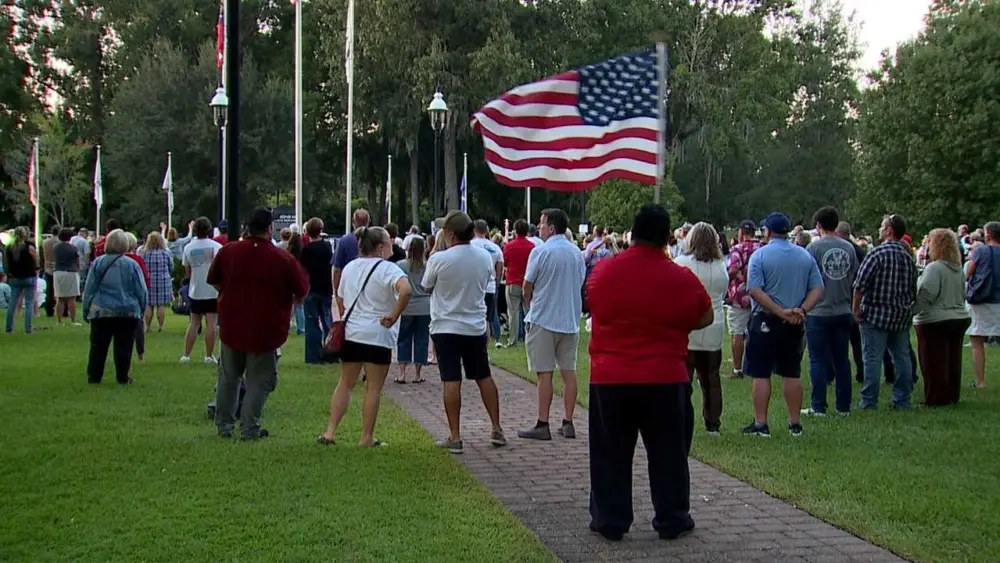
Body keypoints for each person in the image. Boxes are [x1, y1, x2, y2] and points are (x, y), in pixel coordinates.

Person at [586, 204, 712, 542]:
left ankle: (609, 519)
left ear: (634, 232)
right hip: (665, 374)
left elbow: (595, 306)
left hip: (611, 375)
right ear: (667, 236)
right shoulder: (681, 277)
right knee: (669, 453)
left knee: (610, 452)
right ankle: (672, 517)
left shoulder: (604, 272)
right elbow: (705, 317)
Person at [208, 208, 308, 439]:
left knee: (228, 378)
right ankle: (249, 426)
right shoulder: (282, 259)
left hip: (232, 325)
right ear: (268, 229)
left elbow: (215, 281)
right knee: (259, 381)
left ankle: (224, 425)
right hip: (266, 328)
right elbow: (301, 290)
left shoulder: (228, 252)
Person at [318, 226, 411, 447]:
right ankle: (366, 437)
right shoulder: (389, 269)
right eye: (389, 241)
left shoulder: (350, 267)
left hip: (352, 333)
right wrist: (394, 314)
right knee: (373, 387)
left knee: (345, 382)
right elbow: (406, 290)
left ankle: (330, 431)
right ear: (380, 247)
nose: (392, 245)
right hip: (378, 334)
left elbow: (340, 297)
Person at [422, 211, 507, 454]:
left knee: (451, 379)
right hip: (474, 326)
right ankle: (496, 427)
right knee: (483, 376)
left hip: (446, 326)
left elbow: (427, 287)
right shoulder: (484, 257)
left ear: (450, 234)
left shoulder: (439, 259)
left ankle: (455, 436)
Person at [743, 212, 824, 437]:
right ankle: (795, 423)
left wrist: (779, 311)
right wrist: (802, 309)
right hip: (795, 320)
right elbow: (818, 288)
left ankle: (761, 423)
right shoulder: (804, 256)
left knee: (761, 372)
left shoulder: (760, 256)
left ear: (768, 231)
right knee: (792, 372)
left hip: (765, 320)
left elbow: (755, 290)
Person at [518, 209, 587, 441]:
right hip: (569, 318)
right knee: (569, 372)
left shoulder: (540, 252)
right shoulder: (577, 253)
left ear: (551, 228)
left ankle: (542, 422)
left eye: (542, 223)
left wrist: (528, 306)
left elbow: (527, 285)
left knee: (544, 373)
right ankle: (568, 421)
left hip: (544, 317)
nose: (539, 227)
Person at [853, 214, 918, 409]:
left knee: (872, 358)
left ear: (889, 230)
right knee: (902, 358)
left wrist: (856, 309)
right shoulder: (908, 257)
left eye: (882, 226)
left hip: (875, 315)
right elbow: (913, 288)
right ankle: (902, 399)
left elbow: (860, 285)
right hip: (900, 315)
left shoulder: (877, 254)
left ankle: (869, 400)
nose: (880, 229)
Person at [801, 207, 859, 417]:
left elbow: (806, 279)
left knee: (817, 360)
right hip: (843, 308)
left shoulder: (813, 249)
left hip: (818, 310)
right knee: (842, 359)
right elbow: (853, 276)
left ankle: (818, 406)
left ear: (818, 226)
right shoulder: (849, 248)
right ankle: (843, 406)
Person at [674, 222, 728, 435]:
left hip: (689, 327)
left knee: (684, 377)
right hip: (714, 325)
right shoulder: (720, 266)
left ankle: (681, 417)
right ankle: (713, 422)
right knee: (711, 378)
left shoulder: (681, 263)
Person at [82, 230, 148, 384]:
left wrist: (86, 309)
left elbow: (90, 288)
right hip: (127, 310)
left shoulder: (98, 263)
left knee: (98, 345)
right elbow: (141, 289)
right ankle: (122, 376)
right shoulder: (132, 264)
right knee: (124, 346)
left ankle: (94, 376)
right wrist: (141, 308)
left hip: (101, 310)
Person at [913, 228, 970, 405]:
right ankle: (952, 395)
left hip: (935, 320)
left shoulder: (934, 268)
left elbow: (926, 295)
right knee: (953, 361)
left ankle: (935, 398)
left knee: (933, 362)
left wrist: (910, 312)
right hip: (958, 317)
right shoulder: (957, 269)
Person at [181, 217, 223, 364]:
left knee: (194, 322)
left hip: (196, 289)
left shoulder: (188, 248)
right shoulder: (217, 247)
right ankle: (208, 355)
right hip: (212, 290)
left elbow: (187, 270)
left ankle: (186, 355)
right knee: (211, 323)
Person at [725, 220, 763, 378]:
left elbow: (733, 269)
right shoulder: (763, 248)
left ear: (741, 232)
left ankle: (737, 369)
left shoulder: (738, 248)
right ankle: (757, 366)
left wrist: (740, 277)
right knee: (758, 332)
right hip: (761, 296)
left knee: (737, 332)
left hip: (740, 296)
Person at [965, 221, 1000, 389]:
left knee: (977, 341)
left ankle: (980, 382)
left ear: (988, 235)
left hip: (981, 300)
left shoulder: (981, 251)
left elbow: (969, 272)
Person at [298, 217, 335, 364]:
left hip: (310, 289)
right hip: (325, 288)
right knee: (327, 322)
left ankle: (313, 356)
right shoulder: (327, 247)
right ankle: (331, 352)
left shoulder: (306, 250)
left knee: (312, 323)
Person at [395, 236, 431, 384]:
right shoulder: (428, 266)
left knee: (403, 338)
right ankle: (417, 374)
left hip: (407, 306)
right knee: (421, 339)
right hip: (424, 306)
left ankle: (402, 373)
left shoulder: (400, 265)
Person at [471, 220, 505, 348]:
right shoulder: (495, 248)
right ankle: (486, 346)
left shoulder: (471, 245)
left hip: (474, 286)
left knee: (474, 317)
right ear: (486, 231)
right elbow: (500, 267)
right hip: (490, 287)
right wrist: (496, 283)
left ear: (474, 230)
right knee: (488, 318)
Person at [502, 219, 533, 348]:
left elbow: (506, 263)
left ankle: (513, 340)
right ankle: (531, 338)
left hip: (513, 281)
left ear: (515, 230)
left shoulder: (509, 246)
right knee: (529, 311)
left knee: (513, 313)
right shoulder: (532, 247)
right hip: (528, 282)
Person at [333, 209, 370, 316]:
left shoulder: (344, 241)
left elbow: (337, 269)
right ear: (368, 222)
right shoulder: (376, 240)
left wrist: (336, 293)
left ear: (353, 223)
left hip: (349, 287)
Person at [4, 227, 39, 334]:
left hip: (14, 277)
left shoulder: (9, 247)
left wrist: (8, 273)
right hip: (28, 276)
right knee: (29, 303)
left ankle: (9, 328)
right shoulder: (29, 247)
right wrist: (36, 269)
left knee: (12, 304)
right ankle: (28, 328)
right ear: (25, 235)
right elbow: (36, 260)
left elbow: (6, 263)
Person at [140, 231, 173, 333]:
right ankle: (161, 326)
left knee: (149, 304)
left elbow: (141, 267)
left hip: (148, 280)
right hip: (163, 279)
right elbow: (171, 266)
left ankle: (148, 327)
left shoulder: (144, 253)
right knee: (160, 305)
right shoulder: (166, 252)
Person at [52, 228, 82, 326]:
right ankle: (73, 321)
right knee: (71, 298)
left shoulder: (55, 247)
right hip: (71, 272)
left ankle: (59, 321)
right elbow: (77, 261)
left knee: (60, 298)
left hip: (58, 272)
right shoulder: (73, 248)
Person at [41, 225, 61, 317]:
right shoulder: (59, 243)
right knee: (60, 291)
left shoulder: (45, 242)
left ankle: (49, 309)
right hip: (57, 267)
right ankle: (62, 310)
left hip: (47, 267)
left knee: (49, 291)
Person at [70, 228, 92, 293]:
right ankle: (80, 294)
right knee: (82, 280)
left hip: (72, 264)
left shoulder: (72, 239)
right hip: (81, 264)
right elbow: (87, 255)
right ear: (85, 233)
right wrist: (88, 265)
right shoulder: (85, 242)